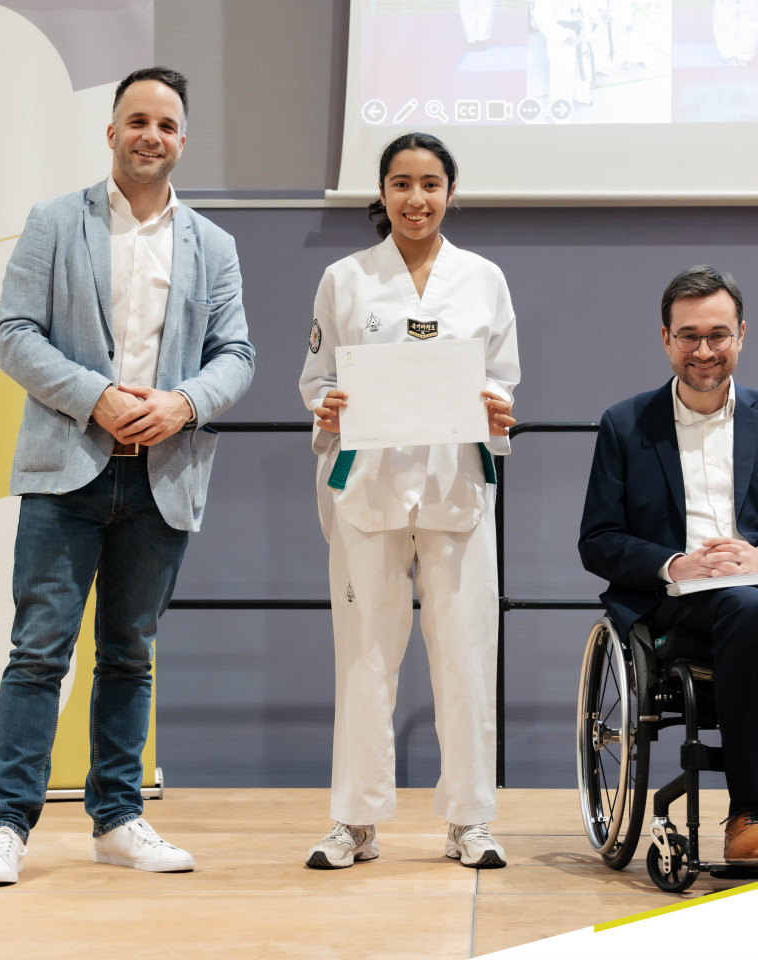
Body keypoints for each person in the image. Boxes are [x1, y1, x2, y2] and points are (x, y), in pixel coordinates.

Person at [0, 66, 255, 885]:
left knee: (130, 655)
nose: (150, 136)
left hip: (162, 477)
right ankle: (6, 826)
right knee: (38, 653)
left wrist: (185, 404)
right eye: (137, 121)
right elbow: (13, 333)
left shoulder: (213, 245)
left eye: (165, 125)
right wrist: (94, 396)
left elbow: (236, 354)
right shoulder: (55, 222)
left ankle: (118, 820)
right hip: (66, 472)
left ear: (182, 140)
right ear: (112, 132)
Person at [299, 132, 520, 871]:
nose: (415, 198)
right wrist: (327, 406)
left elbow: (503, 377)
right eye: (401, 183)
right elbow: (317, 379)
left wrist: (497, 408)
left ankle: (470, 820)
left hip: (455, 486)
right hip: (369, 486)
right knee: (364, 654)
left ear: (450, 192)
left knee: (465, 653)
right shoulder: (344, 278)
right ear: (382, 191)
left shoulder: (483, 279)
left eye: (430, 184)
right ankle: (355, 821)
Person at [578, 265, 758, 869]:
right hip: (681, 606)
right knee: (744, 606)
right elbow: (597, 541)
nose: (704, 350)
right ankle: (748, 812)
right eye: (689, 335)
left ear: (741, 335)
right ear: (666, 339)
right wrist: (675, 563)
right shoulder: (625, 424)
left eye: (718, 334)